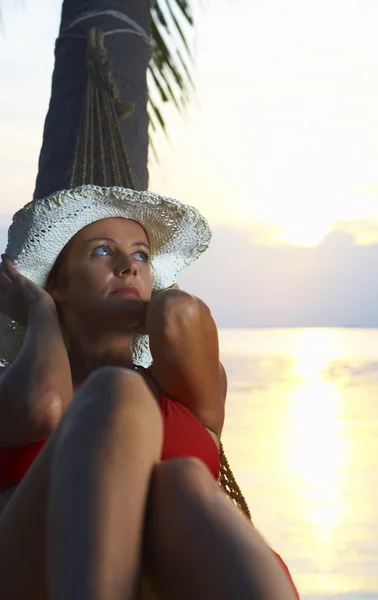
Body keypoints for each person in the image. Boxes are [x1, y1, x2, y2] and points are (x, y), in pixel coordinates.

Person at [0, 184, 299, 600]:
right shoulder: (13, 385)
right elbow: (46, 407)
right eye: (103, 252)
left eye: (141, 255)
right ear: (56, 285)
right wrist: (42, 313)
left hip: (184, 578)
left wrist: (142, 303)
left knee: (182, 478)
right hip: (31, 573)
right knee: (115, 390)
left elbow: (180, 314)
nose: (129, 267)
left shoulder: (180, 386)